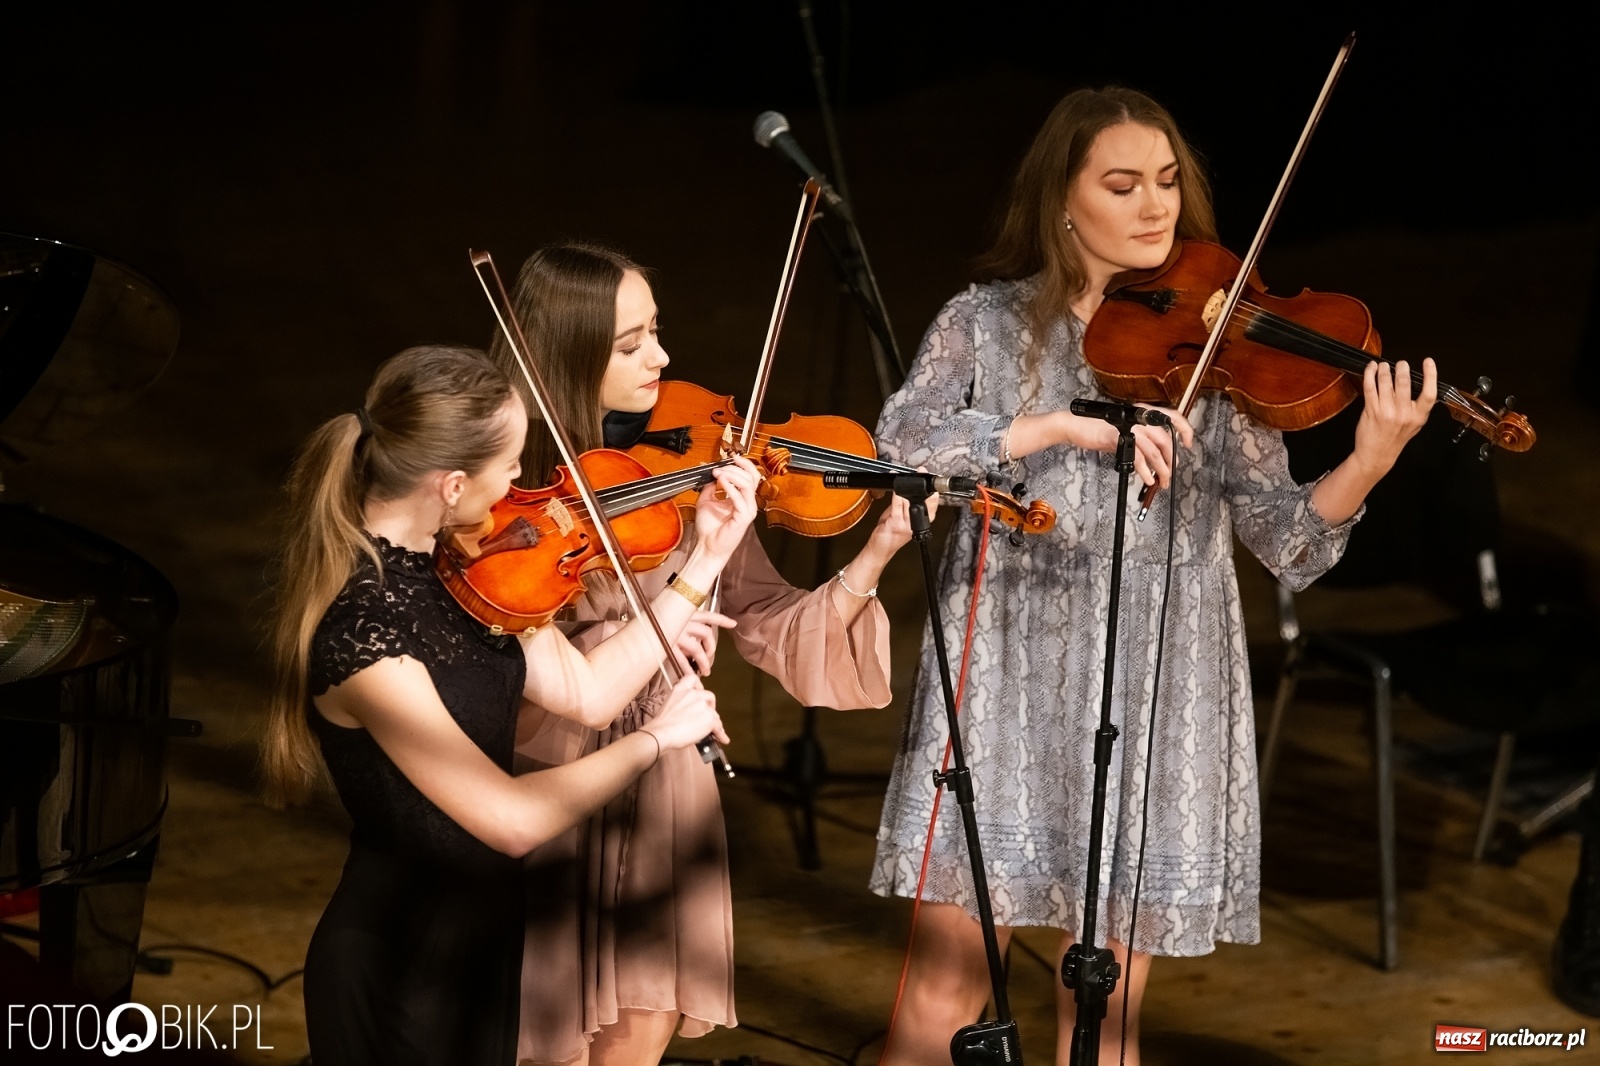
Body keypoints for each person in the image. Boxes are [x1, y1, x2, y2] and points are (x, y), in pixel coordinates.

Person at [867, 88, 1437, 1065]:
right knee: (943, 992)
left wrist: (1369, 458)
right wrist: (1046, 425)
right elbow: (900, 446)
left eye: (1167, 182)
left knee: (1103, 1021)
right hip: (1007, 676)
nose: (1153, 207)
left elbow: (1285, 542)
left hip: (1155, 685)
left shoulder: (1220, 340)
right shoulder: (988, 323)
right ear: (1061, 203)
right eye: (1122, 184)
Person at [262, 345, 761, 1066]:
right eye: (511, 467)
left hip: (485, 942)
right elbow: (513, 819)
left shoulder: (469, 570)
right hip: (402, 960)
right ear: (452, 482)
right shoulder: (365, 641)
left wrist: (708, 558)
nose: (522, 485)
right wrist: (656, 740)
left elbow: (588, 694)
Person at [488, 243, 921, 1065]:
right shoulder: (510, 482)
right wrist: (648, 628)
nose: (663, 357)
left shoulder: (688, 474)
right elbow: (500, 657)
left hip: (665, 786)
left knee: (641, 1027)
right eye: (630, 344)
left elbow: (763, 624)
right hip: (551, 778)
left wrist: (871, 558)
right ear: (569, 356)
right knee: (545, 1040)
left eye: (657, 330)